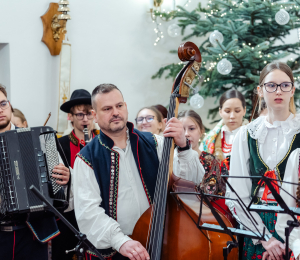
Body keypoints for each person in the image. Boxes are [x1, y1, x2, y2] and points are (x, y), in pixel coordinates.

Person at [72, 83, 201, 260]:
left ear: (125, 106)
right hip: (119, 251)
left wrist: (184, 147)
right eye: (107, 108)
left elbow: (190, 183)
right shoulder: (86, 159)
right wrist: (121, 241)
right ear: (94, 115)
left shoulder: (155, 142)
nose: (115, 112)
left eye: (119, 106)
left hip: (164, 242)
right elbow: (88, 212)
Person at [227, 62, 300, 260]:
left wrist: (293, 240)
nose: (278, 91)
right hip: (257, 228)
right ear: (260, 91)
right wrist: (265, 237)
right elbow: (237, 193)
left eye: (285, 85)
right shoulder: (246, 135)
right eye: (271, 85)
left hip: (297, 226)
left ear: (292, 90)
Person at [0, 84, 70, 260]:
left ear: (10, 105)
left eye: (3, 104)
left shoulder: (36, 138)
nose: (0, 110)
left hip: (32, 231)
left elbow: (60, 185)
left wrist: (66, 176)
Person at [52, 89, 99, 260]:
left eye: (89, 114)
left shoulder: (104, 142)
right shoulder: (59, 144)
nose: (85, 119)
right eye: (79, 115)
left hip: (99, 214)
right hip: (68, 218)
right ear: (69, 117)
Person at [174, 109, 227, 197]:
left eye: (191, 128)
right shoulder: (170, 160)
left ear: (201, 131)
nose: (186, 134)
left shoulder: (214, 162)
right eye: (182, 130)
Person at [202, 89, 247, 163]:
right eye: (227, 111)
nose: (232, 116)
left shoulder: (253, 135)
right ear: (220, 111)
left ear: (244, 110)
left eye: (237, 111)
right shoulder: (210, 139)